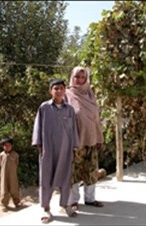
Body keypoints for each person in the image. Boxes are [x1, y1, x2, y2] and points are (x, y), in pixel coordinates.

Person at [32, 78, 79, 224]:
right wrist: (39, 145)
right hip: (48, 149)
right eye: (55, 88)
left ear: (65, 90)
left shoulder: (69, 109)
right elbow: (38, 127)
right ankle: (45, 208)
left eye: (61, 88)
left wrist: (75, 146)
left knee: (66, 178)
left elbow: (74, 130)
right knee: (46, 179)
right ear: (50, 90)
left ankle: (64, 206)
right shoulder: (44, 107)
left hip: (65, 150)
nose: (58, 91)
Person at [65, 66, 104, 211]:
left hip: (92, 139)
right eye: (77, 77)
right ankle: (73, 200)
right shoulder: (67, 94)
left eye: (83, 77)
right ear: (72, 77)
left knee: (91, 169)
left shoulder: (90, 94)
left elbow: (96, 119)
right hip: (75, 141)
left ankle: (90, 199)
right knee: (74, 171)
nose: (80, 80)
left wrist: (99, 137)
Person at [0, 137, 21, 212]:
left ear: (12, 145)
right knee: (4, 190)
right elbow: (0, 163)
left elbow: (17, 163)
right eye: (5, 145)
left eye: (9, 145)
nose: (7, 147)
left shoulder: (15, 155)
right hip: (4, 175)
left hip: (13, 175)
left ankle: (17, 202)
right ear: (2, 146)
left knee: (14, 188)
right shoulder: (1, 155)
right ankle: (4, 205)